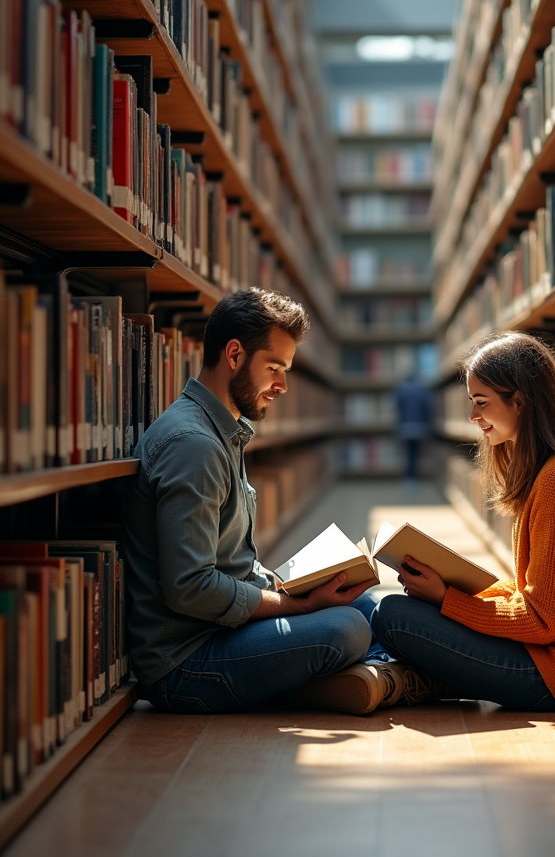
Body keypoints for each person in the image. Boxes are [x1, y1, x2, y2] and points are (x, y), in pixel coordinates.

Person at [122, 288, 427, 715]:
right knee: (347, 628)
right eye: (274, 368)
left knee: (363, 604)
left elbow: (231, 565)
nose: (282, 385)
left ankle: (370, 676)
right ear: (234, 355)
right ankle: (381, 675)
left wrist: (294, 587)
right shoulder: (194, 444)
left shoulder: (221, 432)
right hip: (187, 661)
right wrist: (298, 604)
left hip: (221, 630)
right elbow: (190, 589)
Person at [371, 332, 555, 712]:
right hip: (548, 658)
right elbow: (538, 593)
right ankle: (409, 678)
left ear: (519, 402)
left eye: (481, 403)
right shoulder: (553, 473)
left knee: (392, 617)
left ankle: (399, 676)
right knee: (368, 607)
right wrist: (454, 589)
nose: (474, 417)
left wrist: (447, 598)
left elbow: (543, 621)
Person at [393, 370, 433, 489]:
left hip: (404, 427)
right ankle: (413, 479)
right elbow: (428, 409)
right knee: (415, 454)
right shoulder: (423, 390)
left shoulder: (401, 390)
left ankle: (408, 479)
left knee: (407, 454)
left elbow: (397, 408)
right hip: (419, 427)